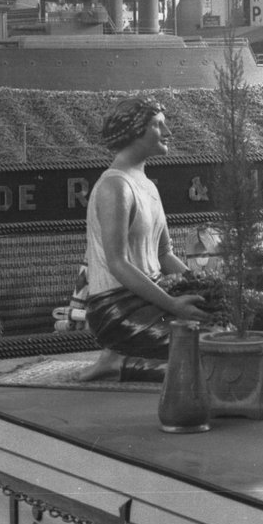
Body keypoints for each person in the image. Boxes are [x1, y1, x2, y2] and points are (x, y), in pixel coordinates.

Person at [79, 98, 208, 381]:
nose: (168, 132)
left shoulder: (147, 185)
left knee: (225, 336)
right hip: (118, 307)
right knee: (205, 354)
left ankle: (119, 357)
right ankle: (119, 363)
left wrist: (206, 287)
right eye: (157, 125)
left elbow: (165, 254)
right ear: (134, 130)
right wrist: (173, 306)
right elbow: (117, 263)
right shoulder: (115, 186)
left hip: (152, 297)